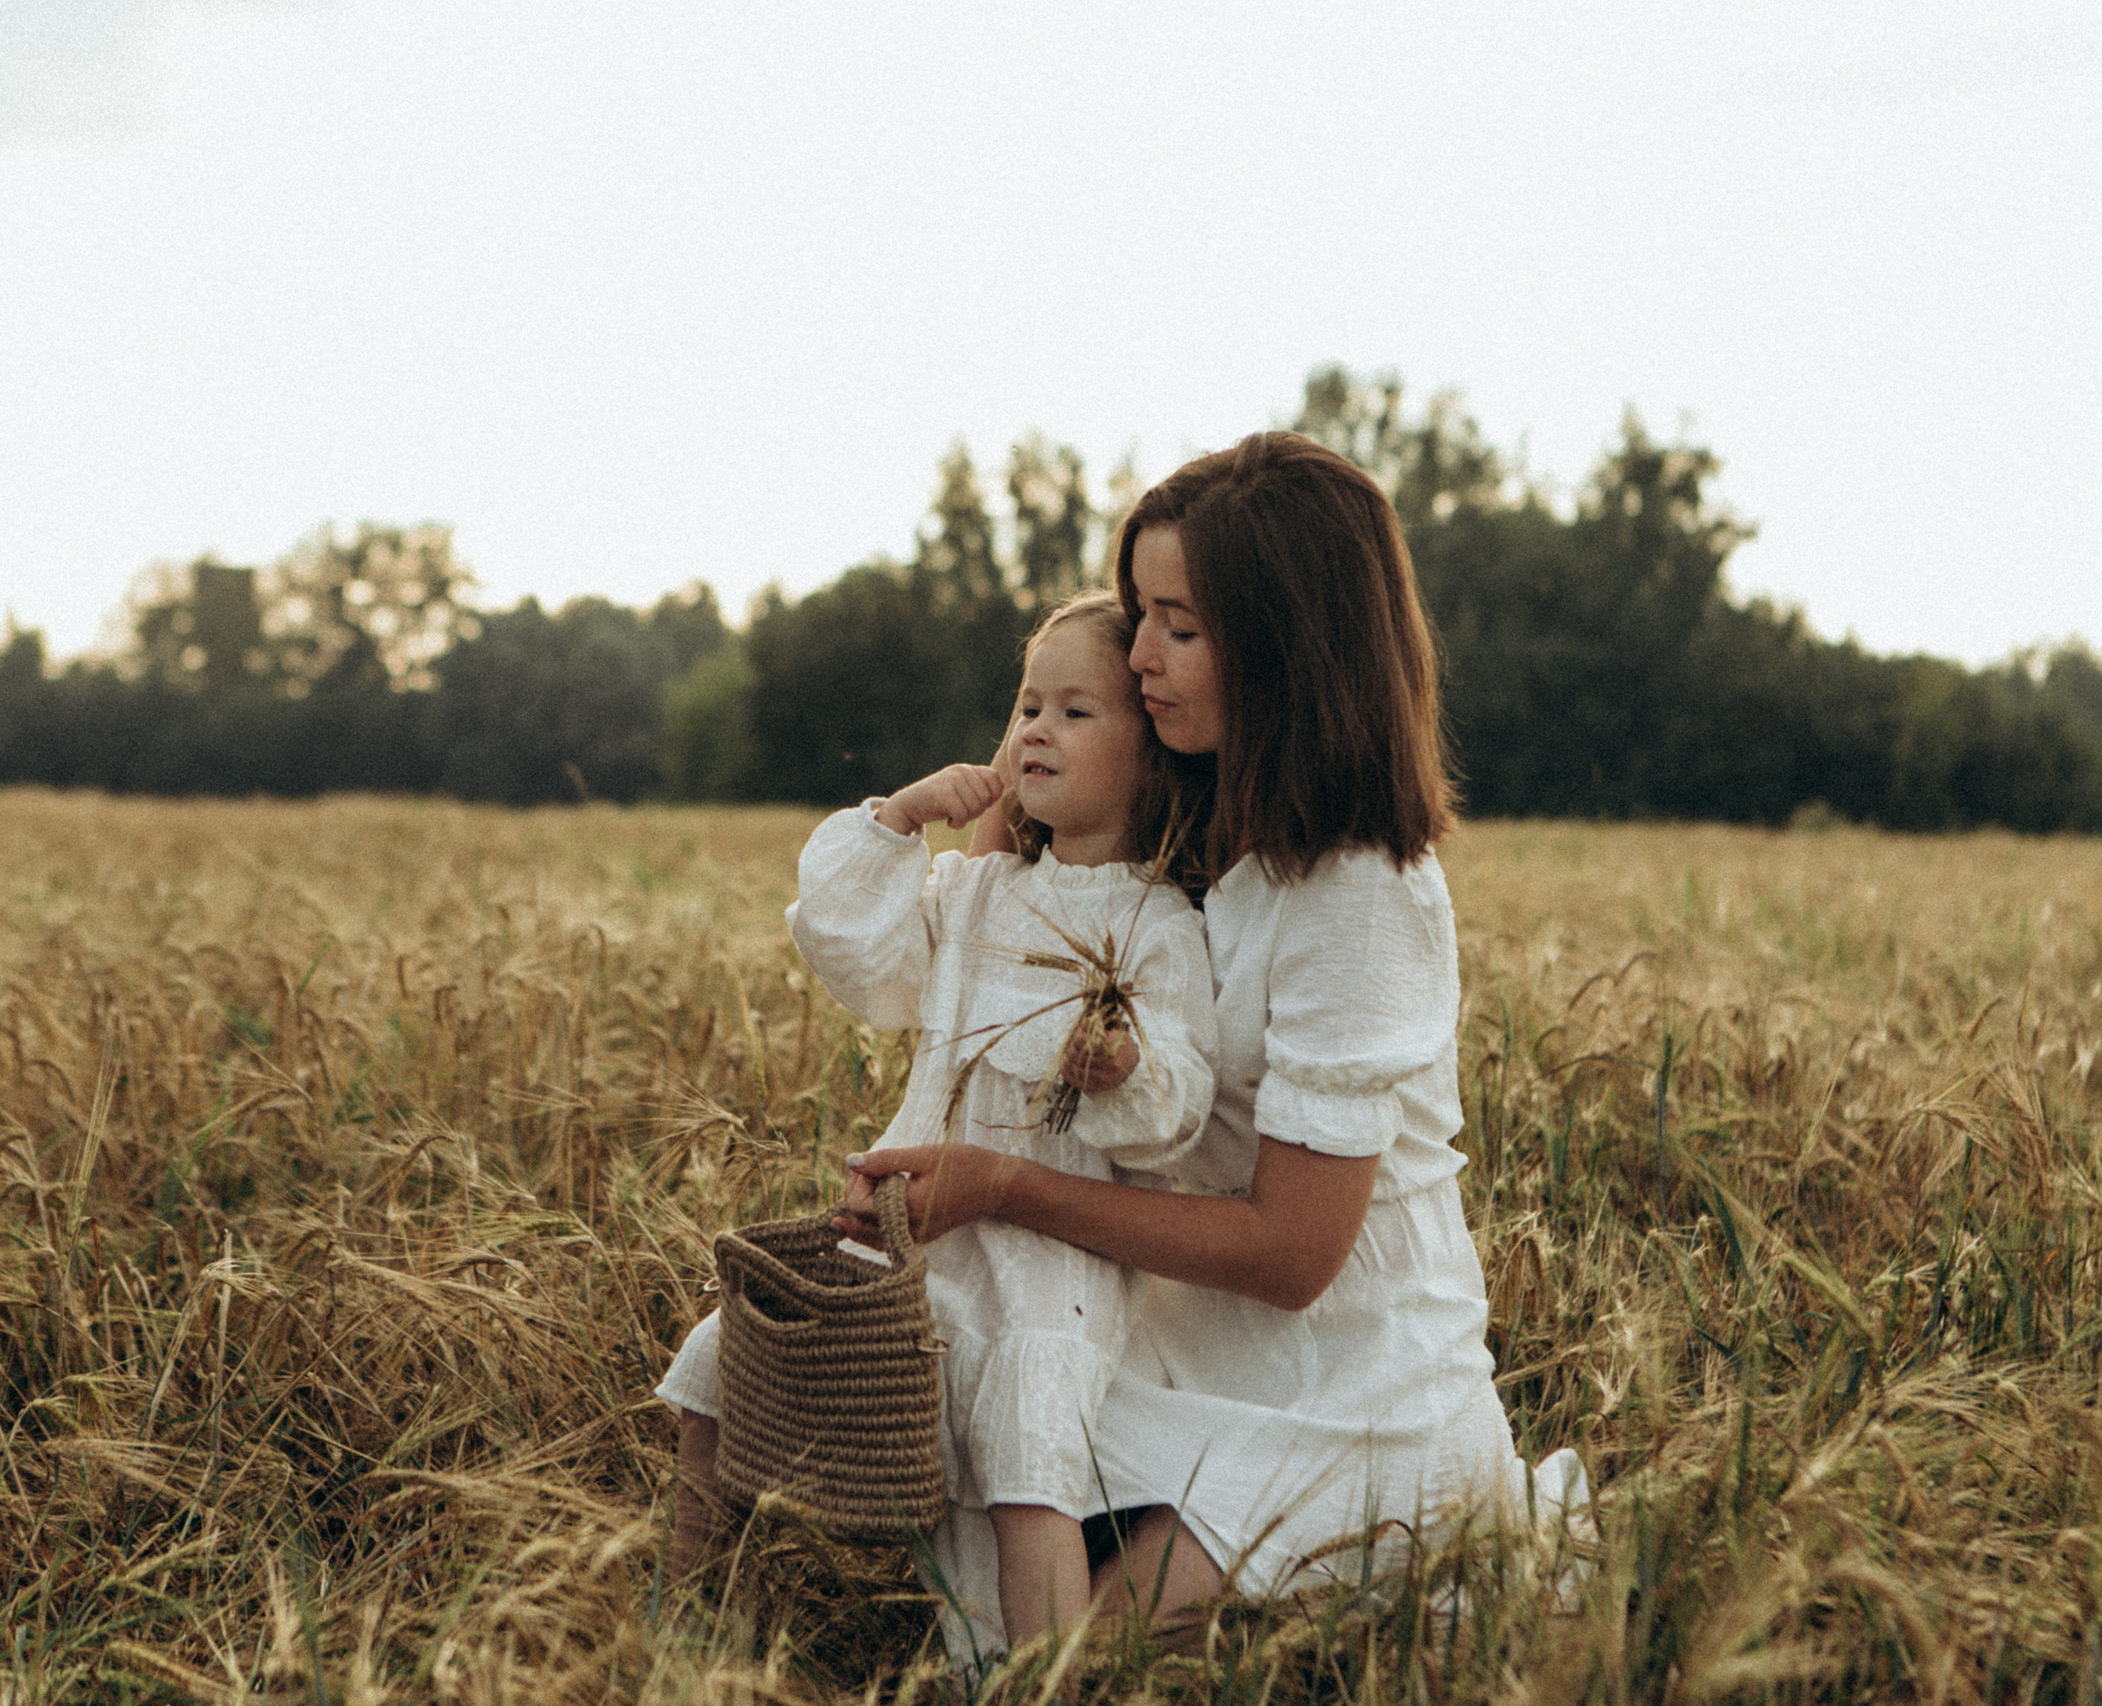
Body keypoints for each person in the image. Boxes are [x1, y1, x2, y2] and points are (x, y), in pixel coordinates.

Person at [842, 432, 1589, 1649]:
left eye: (1179, 626)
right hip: (1169, 1329)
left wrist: (1003, 1187)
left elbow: (1296, 1252)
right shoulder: (1184, 808)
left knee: (1066, 1663)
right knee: (979, 1592)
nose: (1138, 656)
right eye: (1138, 613)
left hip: (1343, 1376)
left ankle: (1425, 1513)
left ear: (1287, 645)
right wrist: (1019, 761)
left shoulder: (1360, 894)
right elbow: (986, 938)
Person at [658, 592, 1219, 1650]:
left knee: (1026, 1442)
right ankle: (689, 1623)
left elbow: (1178, 1113)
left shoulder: (1159, 928)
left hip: (1051, 1275)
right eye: (1025, 704)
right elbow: (852, 954)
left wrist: (1124, 1066)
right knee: (718, 1360)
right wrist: (896, 821)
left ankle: (1028, 1667)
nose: (1035, 729)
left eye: (1076, 712)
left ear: (1152, 759)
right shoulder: (970, 896)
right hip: (908, 1236)